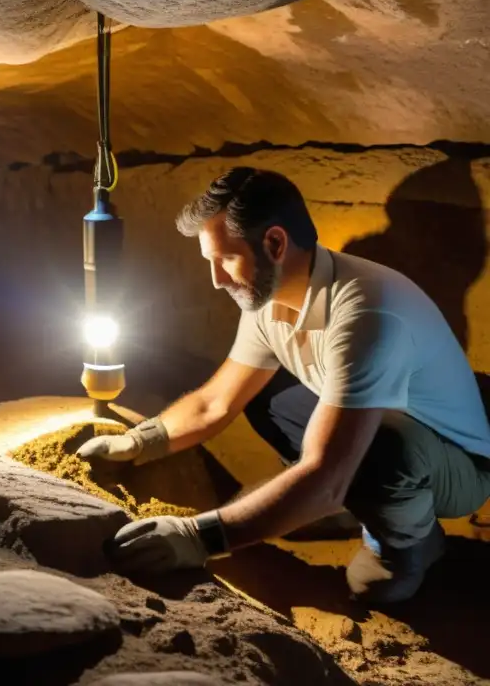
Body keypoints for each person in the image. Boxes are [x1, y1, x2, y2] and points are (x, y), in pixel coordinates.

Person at [77, 167, 490, 604]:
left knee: (378, 453)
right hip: (382, 431)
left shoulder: (367, 313)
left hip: (458, 466)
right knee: (266, 398)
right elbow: (216, 403)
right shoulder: (268, 300)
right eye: (209, 262)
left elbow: (327, 472)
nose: (217, 278)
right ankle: (340, 501)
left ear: (274, 243)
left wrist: (200, 537)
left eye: (226, 259)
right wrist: (143, 441)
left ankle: (407, 545)